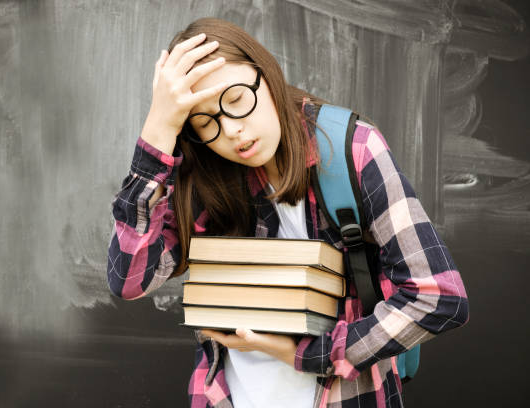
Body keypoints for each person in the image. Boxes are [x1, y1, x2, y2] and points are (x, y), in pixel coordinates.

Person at [107, 17, 469, 408]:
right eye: (205, 122)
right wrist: (157, 131)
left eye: (236, 98)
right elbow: (128, 280)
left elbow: (439, 297)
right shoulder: (202, 174)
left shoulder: (354, 150)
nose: (231, 130)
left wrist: (311, 354)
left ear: (267, 74)